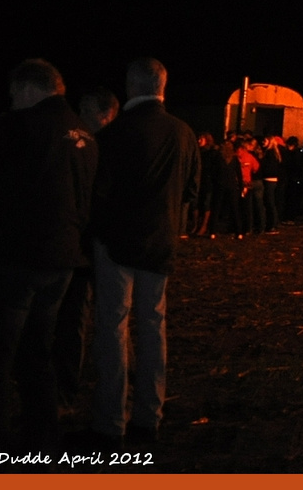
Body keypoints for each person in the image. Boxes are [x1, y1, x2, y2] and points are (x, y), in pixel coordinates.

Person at [0, 58, 97, 455]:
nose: (11, 101)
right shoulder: (84, 135)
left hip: (18, 257)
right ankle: (43, 432)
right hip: (63, 259)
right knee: (37, 349)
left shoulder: (22, 126)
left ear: (26, 88)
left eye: (12, 94)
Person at [86, 57, 201, 446]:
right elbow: (191, 191)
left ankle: (109, 420)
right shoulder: (184, 133)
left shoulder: (116, 133)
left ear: (130, 86)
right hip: (161, 241)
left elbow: (98, 193)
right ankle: (149, 415)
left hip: (118, 243)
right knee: (153, 325)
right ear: (163, 86)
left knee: (113, 327)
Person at [54, 87, 118, 407]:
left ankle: (69, 382)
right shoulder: (84, 143)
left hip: (90, 240)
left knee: (77, 313)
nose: (82, 113)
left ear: (106, 113)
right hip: (91, 239)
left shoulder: (102, 146)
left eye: (88, 106)